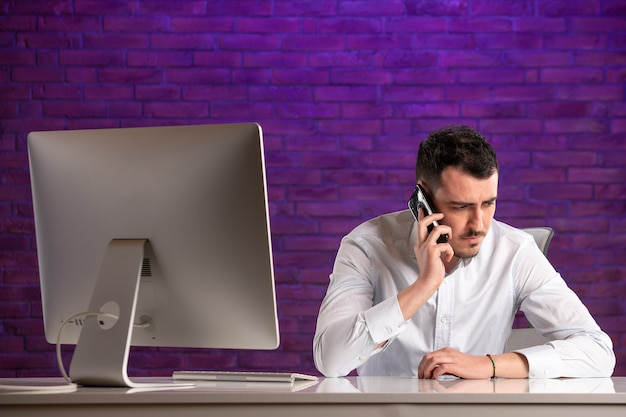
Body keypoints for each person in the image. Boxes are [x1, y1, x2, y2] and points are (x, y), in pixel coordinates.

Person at [313, 125, 615, 379]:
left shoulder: (515, 251)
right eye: (461, 207)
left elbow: (597, 351)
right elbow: (331, 360)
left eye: (488, 203)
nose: (479, 224)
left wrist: (489, 365)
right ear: (424, 199)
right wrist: (424, 285)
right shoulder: (366, 247)